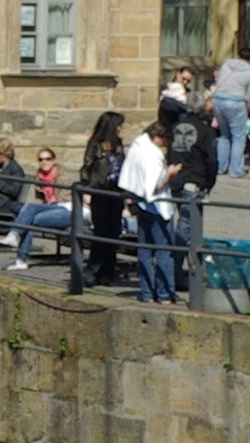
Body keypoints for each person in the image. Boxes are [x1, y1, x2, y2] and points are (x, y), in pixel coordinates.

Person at [118, 116, 178, 301]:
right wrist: (170, 174)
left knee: (144, 250)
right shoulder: (151, 155)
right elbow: (155, 185)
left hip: (141, 205)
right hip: (156, 208)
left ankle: (146, 293)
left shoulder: (137, 147)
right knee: (163, 251)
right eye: (165, 141)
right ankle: (164, 293)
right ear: (159, 137)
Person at [73, 109, 130, 289]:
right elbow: (87, 167)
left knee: (113, 231)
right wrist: (88, 188)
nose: (121, 128)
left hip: (116, 191)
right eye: (119, 125)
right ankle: (92, 270)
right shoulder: (96, 145)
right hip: (100, 191)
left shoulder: (118, 145)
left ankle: (108, 272)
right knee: (101, 231)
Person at [212, 47, 250, 182]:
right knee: (238, 137)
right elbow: (249, 96)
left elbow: (218, 80)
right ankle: (236, 170)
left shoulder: (226, 65)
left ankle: (220, 167)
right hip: (236, 103)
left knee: (224, 135)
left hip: (218, 100)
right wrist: (246, 110)